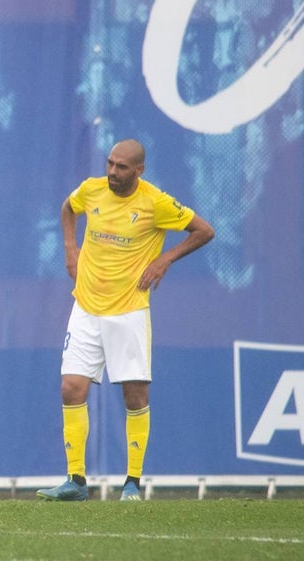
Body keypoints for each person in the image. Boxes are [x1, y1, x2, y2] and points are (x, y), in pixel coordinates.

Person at [38, 139, 214, 502]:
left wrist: (165, 259)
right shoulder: (92, 190)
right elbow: (68, 209)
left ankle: (132, 482)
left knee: (134, 394)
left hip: (129, 308)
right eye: (110, 164)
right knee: (71, 387)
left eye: (121, 167)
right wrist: (71, 248)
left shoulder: (155, 203)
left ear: (139, 171)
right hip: (86, 306)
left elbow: (204, 231)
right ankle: (76, 480)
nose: (113, 172)